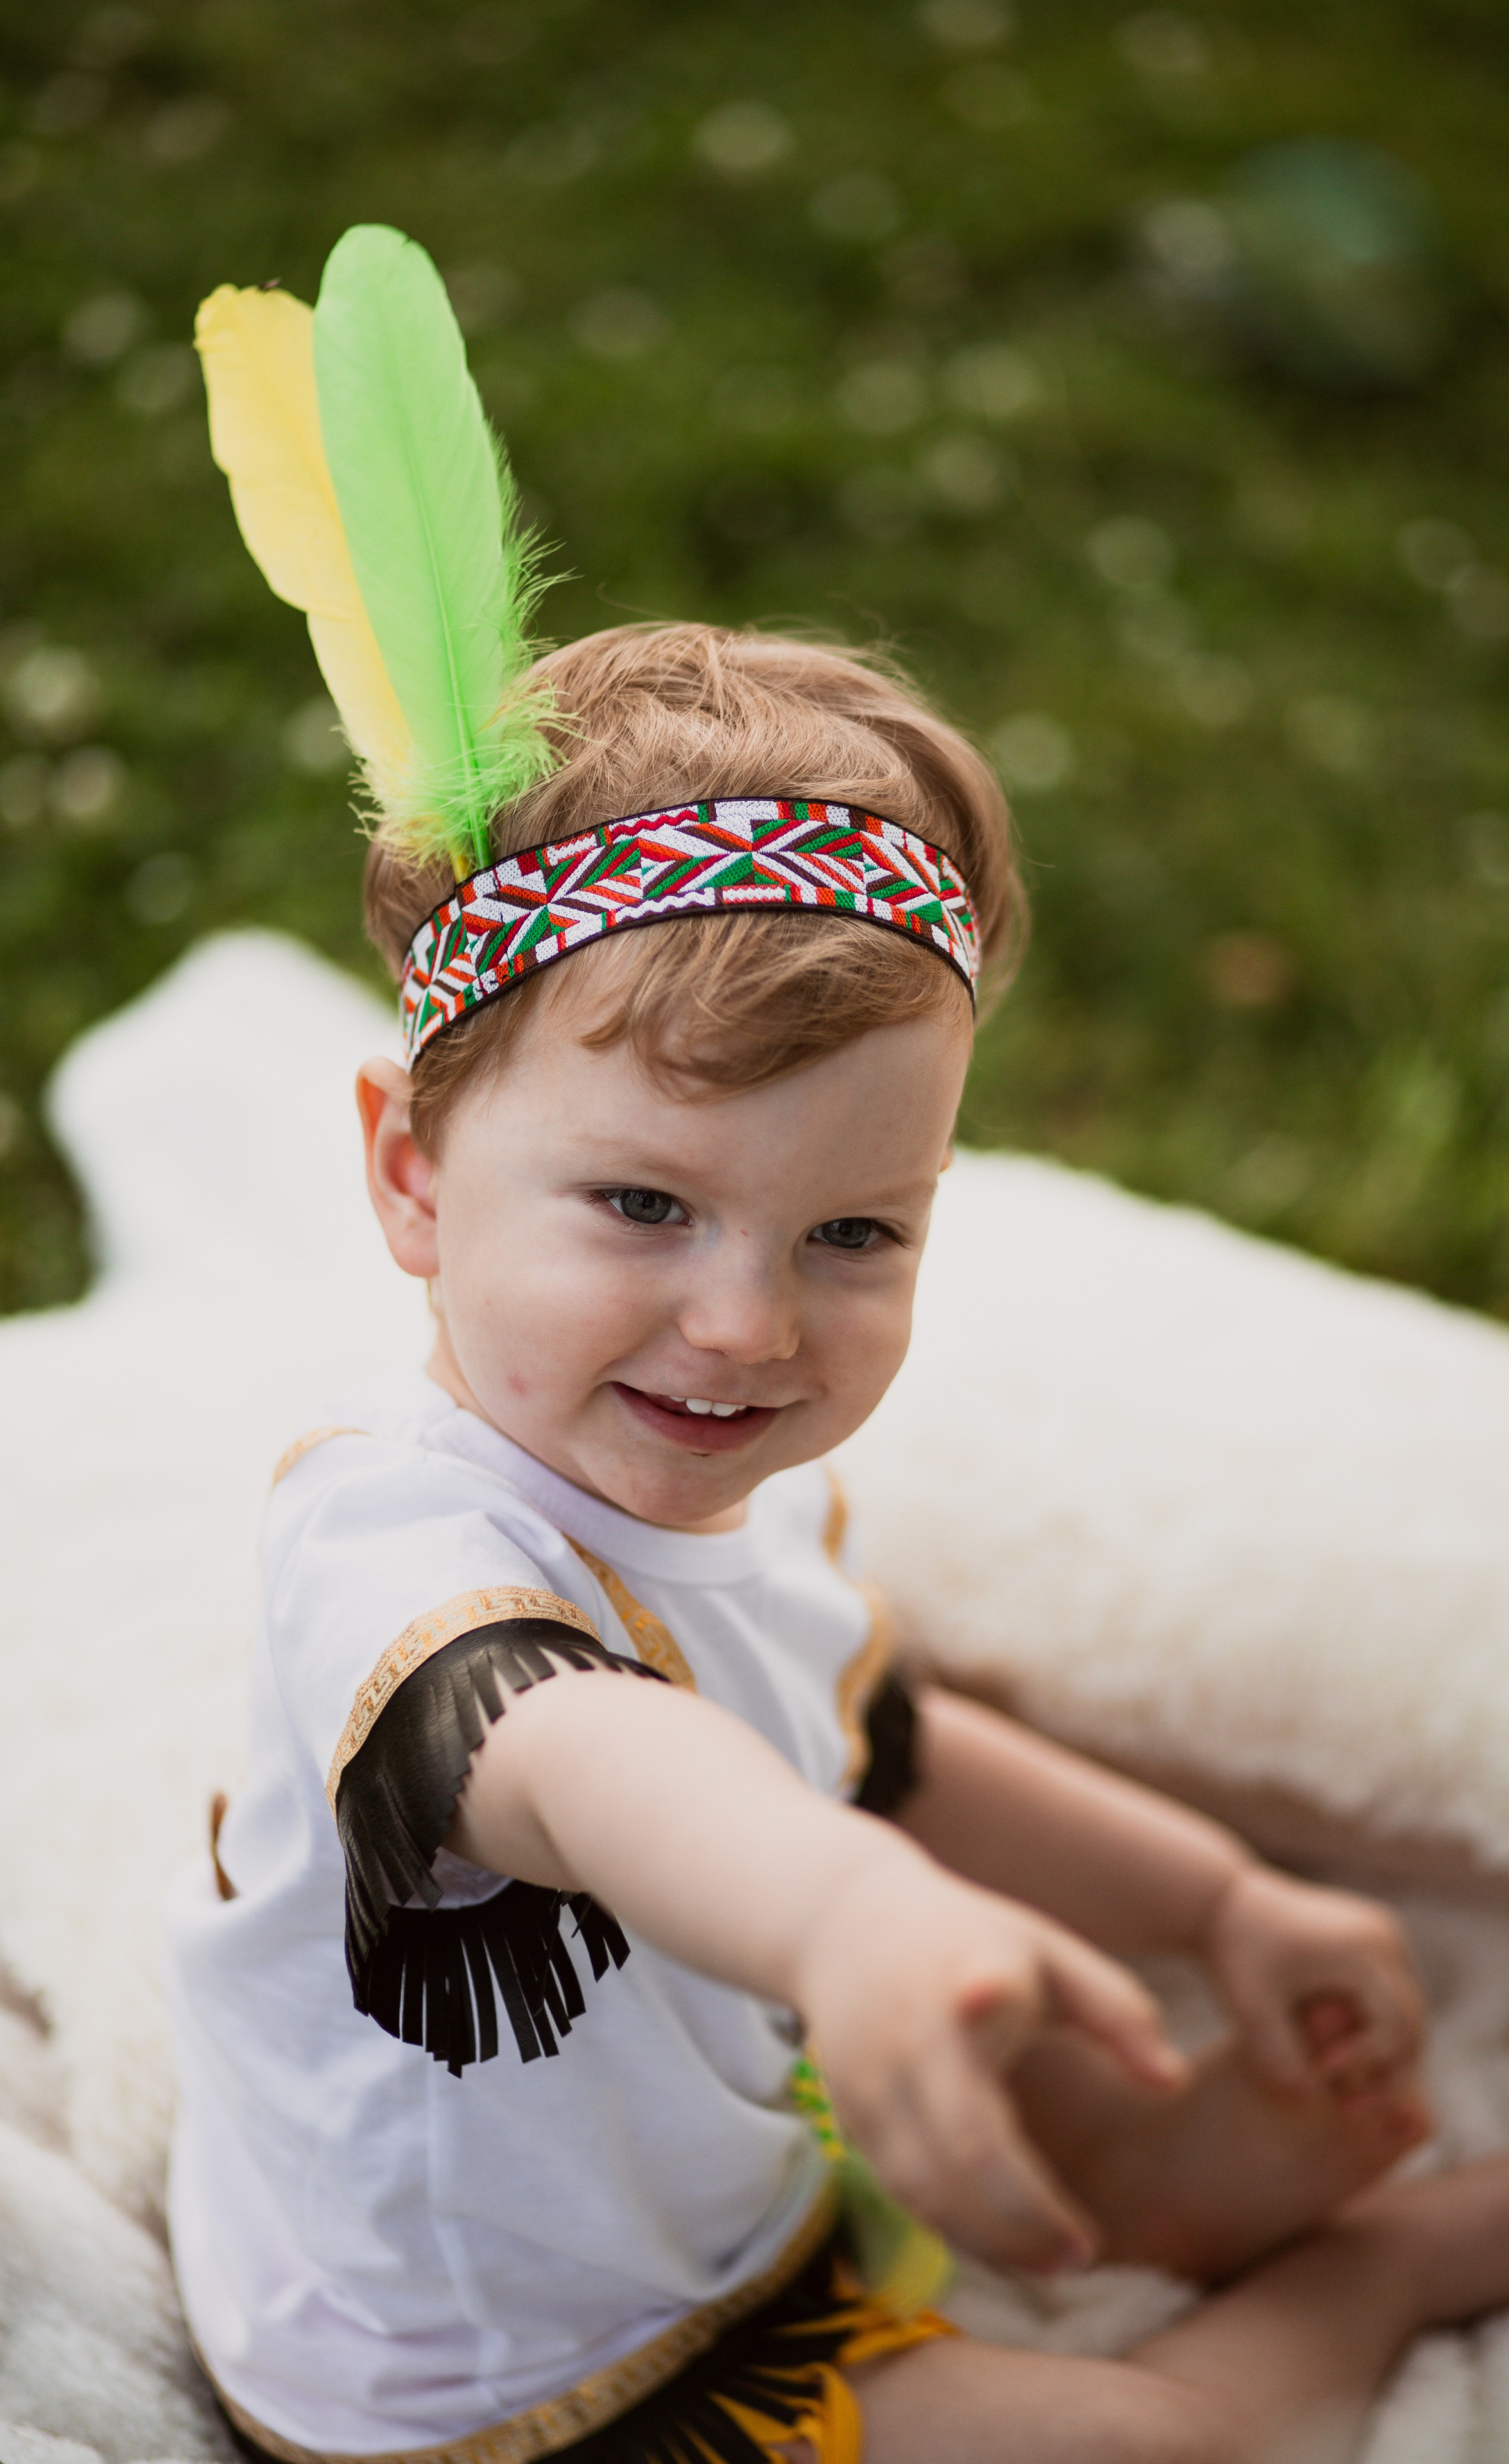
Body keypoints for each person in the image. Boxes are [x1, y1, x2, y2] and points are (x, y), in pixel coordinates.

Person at [166, 231, 1509, 2464]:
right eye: (640, 1206)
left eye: (856, 1230)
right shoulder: (399, 1571)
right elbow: (613, 1771)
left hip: (712, 2155)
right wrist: (867, 1928)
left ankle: (1137, 2171)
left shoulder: (697, 1494)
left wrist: (1224, 1896)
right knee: (1151, 2450)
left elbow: (881, 1742)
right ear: (411, 1171)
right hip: (506, 2377)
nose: (748, 1322)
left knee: (1054, 2042)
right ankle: (1374, 2276)